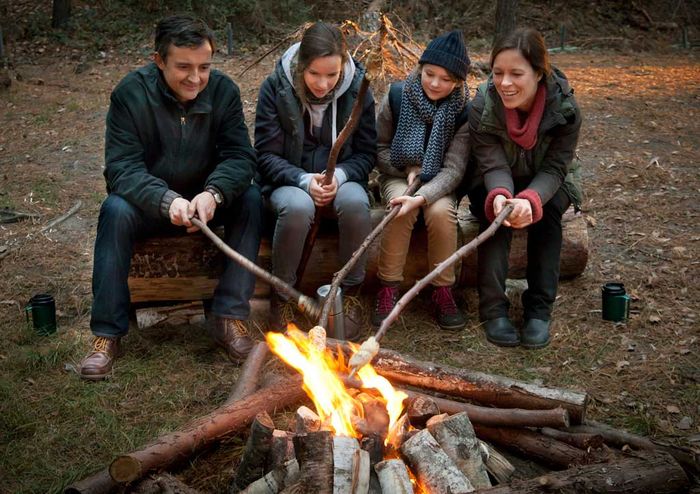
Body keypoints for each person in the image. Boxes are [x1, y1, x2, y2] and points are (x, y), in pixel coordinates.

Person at [79, 14, 263, 380]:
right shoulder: (130, 94)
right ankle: (106, 334)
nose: (195, 78)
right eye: (184, 67)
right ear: (159, 60)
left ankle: (229, 316)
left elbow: (241, 156)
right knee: (114, 210)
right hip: (152, 203)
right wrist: (166, 200)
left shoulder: (223, 91)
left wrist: (214, 193)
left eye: (204, 67)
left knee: (252, 199)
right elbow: (121, 169)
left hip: (206, 202)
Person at [255, 22, 377, 339]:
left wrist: (341, 174)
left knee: (354, 202)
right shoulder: (276, 88)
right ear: (301, 67)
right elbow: (266, 157)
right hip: (289, 182)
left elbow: (366, 153)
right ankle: (281, 296)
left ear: (343, 67)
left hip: (340, 178)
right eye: (314, 74)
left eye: (331, 75)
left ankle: (350, 295)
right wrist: (303, 180)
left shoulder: (359, 89)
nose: (323, 84)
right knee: (296, 207)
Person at [466, 27, 582, 349]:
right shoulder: (482, 106)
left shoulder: (566, 110)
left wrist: (531, 199)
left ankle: (538, 311)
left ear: (539, 73)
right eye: (498, 72)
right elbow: (491, 163)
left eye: (516, 73)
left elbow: (556, 167)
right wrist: (503, 197)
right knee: (494, 217)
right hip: (493, 179)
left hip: (545, 179)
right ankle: (493, 310)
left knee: (549, 215)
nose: (505, 83)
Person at [371, 31, 471, 331]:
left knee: (441, 212)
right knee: (400, 208)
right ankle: (388, 286)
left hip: (441, 181)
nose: (436, 84)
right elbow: (379, 149)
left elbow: (454, 169)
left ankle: (442, 289)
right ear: (420, 68)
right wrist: (407, 170)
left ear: (459, 82)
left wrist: (425, 194)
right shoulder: (397, 96)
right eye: (430, 74)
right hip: (399, 175)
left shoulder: (464, 111)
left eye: (446, 79)